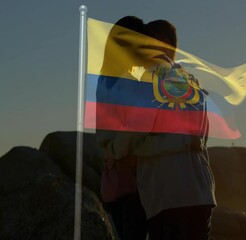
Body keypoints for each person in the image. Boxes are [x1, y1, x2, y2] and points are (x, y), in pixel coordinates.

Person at [131, 20, 217, 240]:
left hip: (168, 196)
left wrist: (116, 149)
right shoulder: (192, 84)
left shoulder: (148, 85)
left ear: (163, 44)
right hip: (197, 193)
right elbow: (198, 136)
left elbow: (137, 142)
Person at [96, 16, 148, 240]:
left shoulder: (104, 80)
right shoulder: (127, 82)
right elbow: (136, 125)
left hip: (112, 179)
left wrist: (111, 152)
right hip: (130, 177)